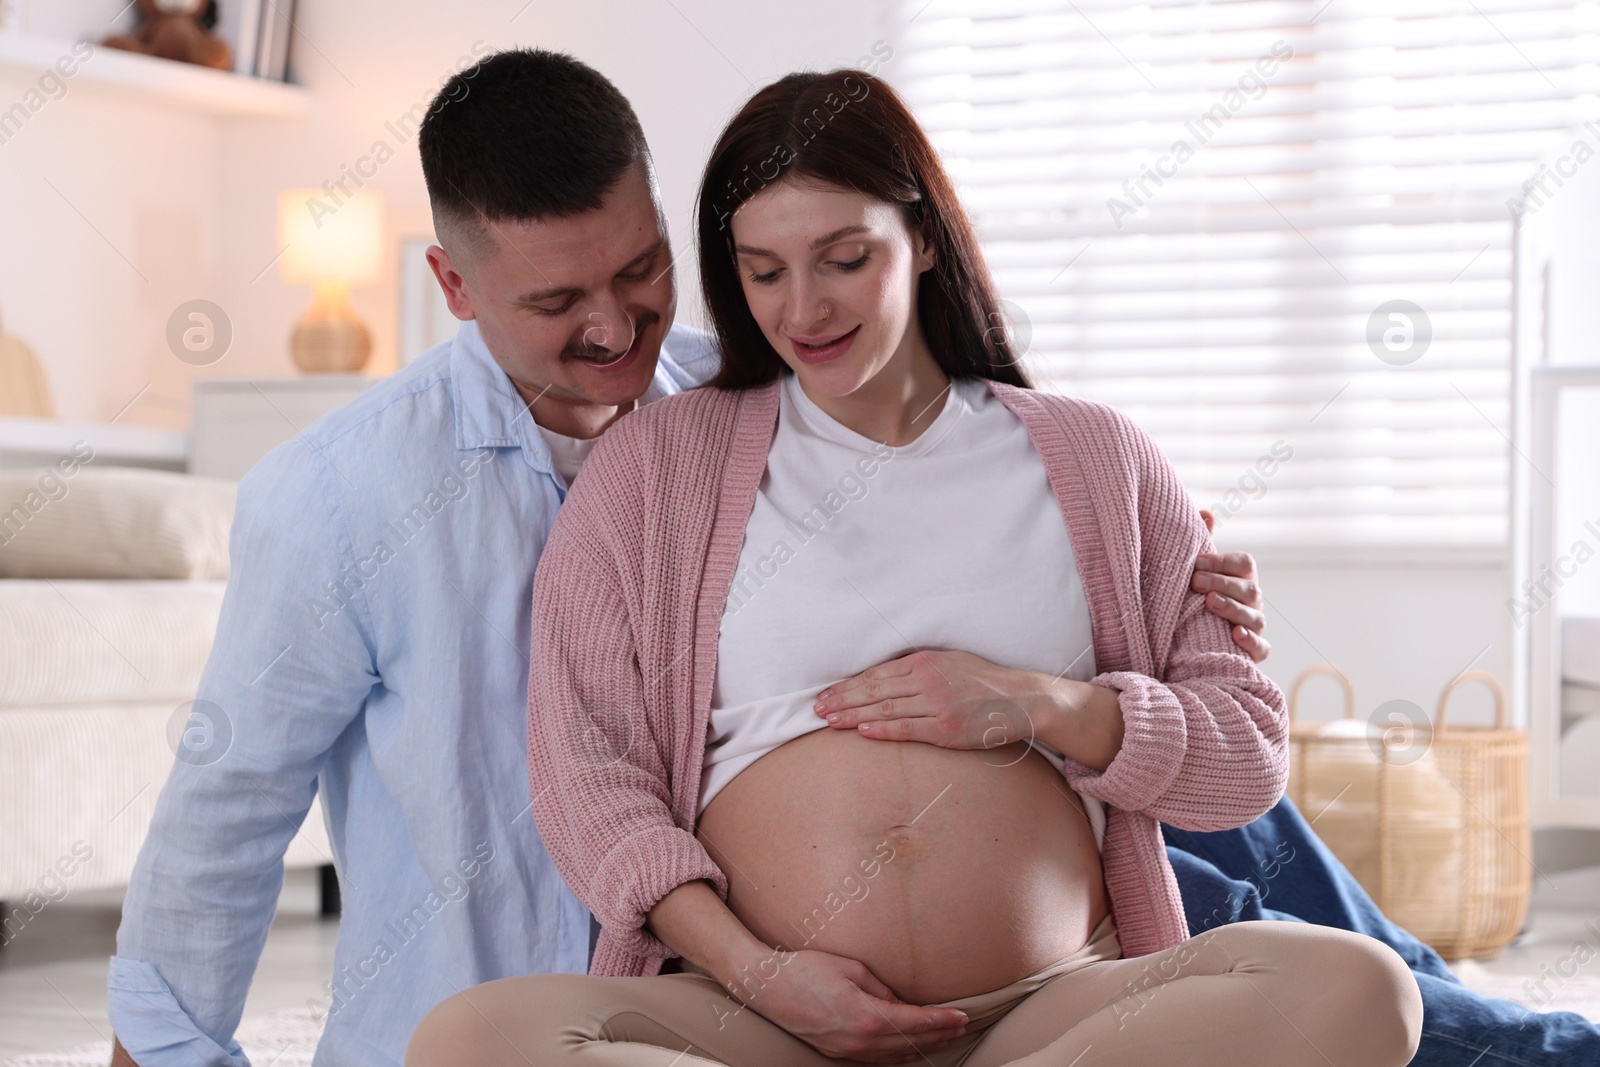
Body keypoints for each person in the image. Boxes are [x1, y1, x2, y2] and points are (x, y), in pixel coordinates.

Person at [94, 47, 1260, 1067]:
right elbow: (230, 800)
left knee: (1305, 928)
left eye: (640, 270)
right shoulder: (341, 496)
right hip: (628, 1003)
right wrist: (163, 1046)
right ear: (451, 286)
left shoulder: (753, 387)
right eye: (557, 299)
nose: (613, 326)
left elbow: (988, 473)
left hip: (1026, 946)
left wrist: (1161, 557)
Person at [406, 69, 1424, 1066]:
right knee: (471, 1041)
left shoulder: (1097, 458)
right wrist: (760, 973)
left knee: (1362, 987)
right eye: (763, 271)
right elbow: (589, 778)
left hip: (1055, 1004)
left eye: (843, 258)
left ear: (923, 235)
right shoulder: (651, 470)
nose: (802, 308)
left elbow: (1244, 758)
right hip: (757, 1014)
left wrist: (1043, 703)